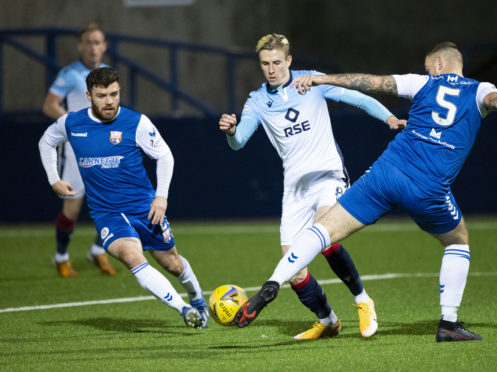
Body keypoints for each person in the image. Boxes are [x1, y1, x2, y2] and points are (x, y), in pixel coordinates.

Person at [234, 42, 497, 342]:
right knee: (458, 240)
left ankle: (274, 281)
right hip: (427, 187)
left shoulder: (422, 83)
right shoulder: (479, 88)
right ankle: (449, 323)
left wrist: (323, 78)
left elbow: (373, 83)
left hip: (386, 172)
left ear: (440, 65)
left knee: (323, 230)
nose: (428, 71)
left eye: (430, 67)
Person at [219, 33, 406, 340]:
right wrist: (231, 130)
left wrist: (388, 118)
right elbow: (239, 143)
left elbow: (356, 97)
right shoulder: (257, 101)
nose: (271, 69)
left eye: (277, 62)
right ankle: (328, 321)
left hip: (328, 176)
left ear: (289, 60)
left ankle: (362, 300)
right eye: (265, 63)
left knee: (325, 237)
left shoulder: (311, 81)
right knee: (294, 269)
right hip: (294, 189)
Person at [38, 67, 209, 329]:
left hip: (145, 208)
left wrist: (161, 197)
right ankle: (184, 309)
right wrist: (53, 179)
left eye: (114, 94)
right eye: (102, 95)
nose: (109, 101)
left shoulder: (136, 123)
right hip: (107, 214)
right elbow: (47, 141)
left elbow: (165, 156)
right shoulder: (72, 123)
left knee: (172, 264)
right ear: (88, 96)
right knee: (132, 257)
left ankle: (196, 298)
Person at [42, 23, 115, 277]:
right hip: (76, 152)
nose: (93, 47)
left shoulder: (108, 72)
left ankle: (98, 251)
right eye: (89, 42)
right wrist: (74, 125)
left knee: (116, 201)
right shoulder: (70, 74)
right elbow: (50, 105)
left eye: (98, 42)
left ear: (104, 46)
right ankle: (61, 256)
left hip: (105, 149)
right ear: (80, 46)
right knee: (72, 208)